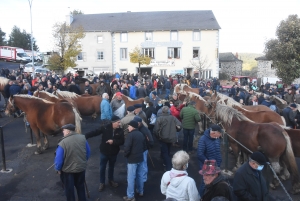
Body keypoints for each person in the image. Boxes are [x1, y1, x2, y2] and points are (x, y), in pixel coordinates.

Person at [85, 115, 124, 191]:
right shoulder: (105, 127)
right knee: (102, 168)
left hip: (114, 153)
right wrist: (85, 136)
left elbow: (122, 141)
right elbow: (95, 132)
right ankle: (102, 183)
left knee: (111, 167)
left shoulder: (120, 130)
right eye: (118, 122)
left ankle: (111, 180)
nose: (119, 124)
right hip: (104, 152)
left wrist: (114, 142)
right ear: (113, 122)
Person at [54, 124, 91, 201]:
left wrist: (58, 169)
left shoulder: (63, 142)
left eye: (63, 131)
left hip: (68, 171)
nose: (63, 132)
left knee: (69, 190)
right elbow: (88, 152)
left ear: (68, 131)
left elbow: (59, 159)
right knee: (80, 187)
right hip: (81, 168)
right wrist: (83, 162)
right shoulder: (83, 138)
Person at [123, 120, 146, 201]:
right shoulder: (141, 134)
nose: (128, 128)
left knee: (131, 178)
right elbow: (144, 146)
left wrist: (125, 155)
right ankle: (140, 191)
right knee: (140, 175)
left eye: (129, 126)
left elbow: (127, 147)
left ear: (132, 127)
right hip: (140, 158)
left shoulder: (130, 135)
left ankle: (130, 196)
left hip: (132, 159)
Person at [197, 124, 222, 197]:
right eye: (219, 134)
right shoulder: (203, 139)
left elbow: (217, 151)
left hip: (216, 165)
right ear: (213, 133)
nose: (220, 136)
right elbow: (200, 154)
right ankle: (201, 197)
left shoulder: (216, 139)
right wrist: (209, 164)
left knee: (215, 182)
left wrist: (219, 161)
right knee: (204, 183)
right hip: (207, 167)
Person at [154, 106, 181, 171]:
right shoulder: (173, 118)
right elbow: (179, 125)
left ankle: (168, 167)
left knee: (165, 152)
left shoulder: (159, 119)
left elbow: (156, 130)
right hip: (171, 138)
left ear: (162, 111)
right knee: (168, 150)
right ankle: (165, 162)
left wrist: (158, 137)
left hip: (163, 138)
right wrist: (176, 130)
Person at [134, 116, 153, 183]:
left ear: (139, 123)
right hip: (141, 149)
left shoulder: (144, 130)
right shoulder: (140, 128)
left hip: (143, 149)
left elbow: (150, 141)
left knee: (143, 164)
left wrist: (147, 147)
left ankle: (143, 178)